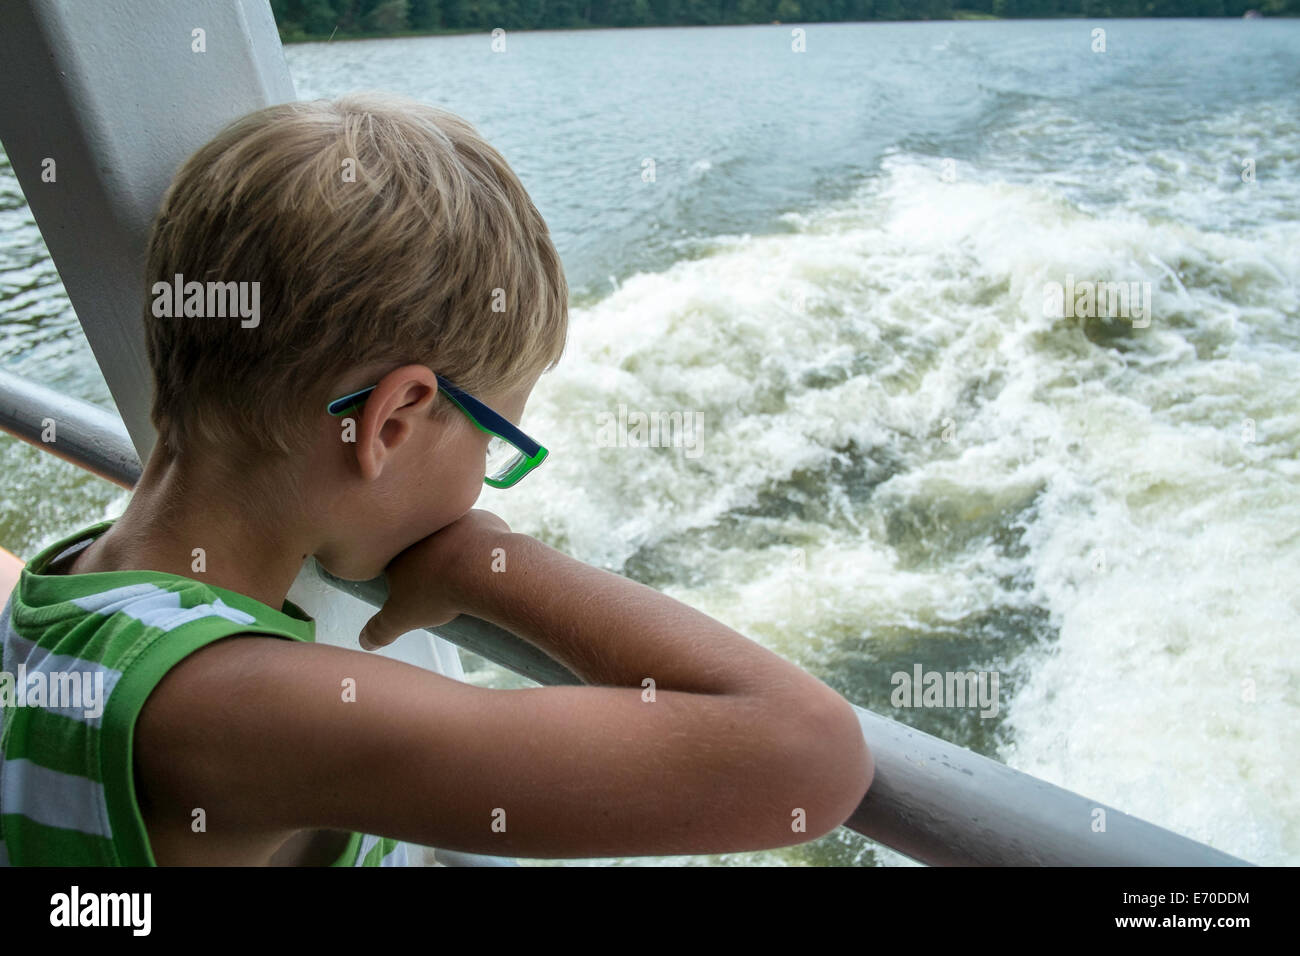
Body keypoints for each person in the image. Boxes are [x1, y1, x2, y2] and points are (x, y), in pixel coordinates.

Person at [0, 93, 872, 866]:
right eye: (494, 445)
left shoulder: (60, 593)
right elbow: (809, 757)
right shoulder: (232, 710)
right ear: (392, 422)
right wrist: (485, 563)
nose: (483, 487)